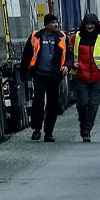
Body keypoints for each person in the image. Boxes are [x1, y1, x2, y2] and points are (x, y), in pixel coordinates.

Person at [20, 14, 68, 142]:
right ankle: (36, 129)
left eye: (56, 22)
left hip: (54, 76)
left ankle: (49, 132)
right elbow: (27, 55)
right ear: (46, 24)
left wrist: (67, 66)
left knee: (52, 104)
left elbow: (69, 54)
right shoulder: (36, 36)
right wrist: (24, 73)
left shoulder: (62, 37)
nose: (56, 25)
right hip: (39, 74)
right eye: (53, 22)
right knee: (38, 101)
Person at [70, 13, 100, 142]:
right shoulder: (77, 37)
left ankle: (87, 129)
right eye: (87, 24)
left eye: (92, 24)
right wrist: (71, 63)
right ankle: (83, 124)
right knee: (82, 104)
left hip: (98, 77)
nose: (89, 26)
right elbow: (69, 52)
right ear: (84, 25)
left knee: (93, 105)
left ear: (96, 25)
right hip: (81, 76)